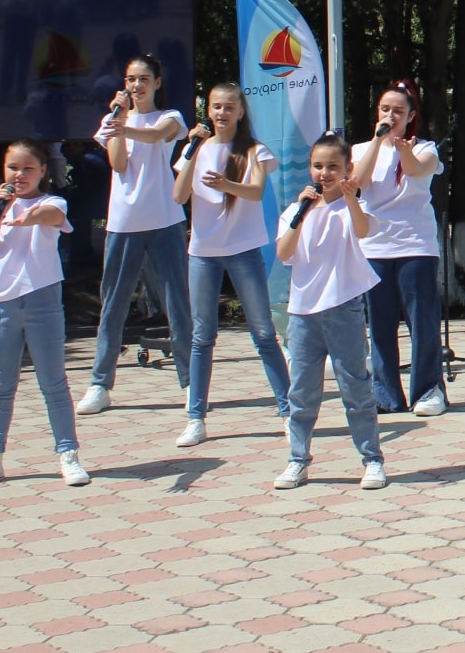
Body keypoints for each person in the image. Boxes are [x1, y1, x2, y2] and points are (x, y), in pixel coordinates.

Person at [0, 139, 89, 489]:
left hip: (42, 300)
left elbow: (51, 217)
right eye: (13, 168)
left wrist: (27, 216)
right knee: (1, 384)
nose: (19, 175)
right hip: (2, 303)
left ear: (43, 171)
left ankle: (68, 454)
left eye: (28, 168)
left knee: (53, 381)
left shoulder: (52, 201)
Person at [170, 84, 289, 448]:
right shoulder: (198, 148)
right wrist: (192, 151)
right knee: (202, 336)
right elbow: (178, 196)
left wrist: (226, 184)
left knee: (264, 333)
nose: (221, 113)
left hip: (244, 250)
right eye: (215, 107)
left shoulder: (253, 149)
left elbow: (255, 191)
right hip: (203, 252)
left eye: (229, 107)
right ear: (207, 111)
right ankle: (196, 417)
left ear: (241, 112)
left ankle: (288, 411)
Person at [275, 135, 387, 491]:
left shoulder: (352, 206)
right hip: (303, 313)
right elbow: (283, 253)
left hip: (343, 309)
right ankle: (297, 460)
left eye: (333, 167)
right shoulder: (297, 210)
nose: (324, 173)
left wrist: (352, 198)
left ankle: (372, 460)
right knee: (302, 392)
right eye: (318, 166)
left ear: (347, 170)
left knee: (355, 387)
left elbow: (363, 230)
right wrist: (300, 215)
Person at [78, 55, 189, 414]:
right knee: (113, 304)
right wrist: (119, 120)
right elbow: (118, 164)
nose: (136, 86)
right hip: (123, 223)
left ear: (157, 82)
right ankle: (100, 383)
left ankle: (191, 383)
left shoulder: (170, 118)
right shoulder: (113, 120)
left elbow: (157, 137)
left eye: (143, 79)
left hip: (165, 220)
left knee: (177, 304)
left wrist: (125, 127)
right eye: (130, 79)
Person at [350, 80, 447, 417]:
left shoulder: (425, 148)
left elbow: (417, 170)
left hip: (415, 246)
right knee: (379, 323)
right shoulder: (362, 150)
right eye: (385, 109)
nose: (390, 115)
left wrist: (402, 148)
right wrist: (379, 141)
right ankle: (386, 393)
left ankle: (428, 391)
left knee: (422, 322)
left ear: (411, 116)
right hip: (374, 248)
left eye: (398, 111)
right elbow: (358, 182)